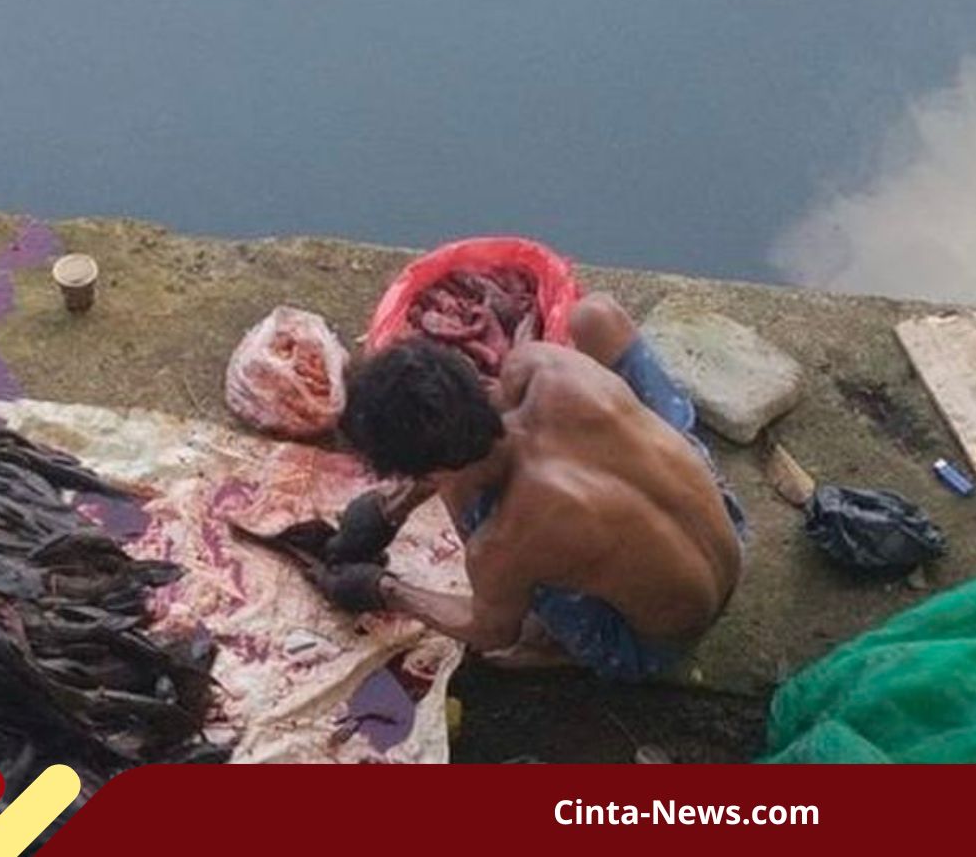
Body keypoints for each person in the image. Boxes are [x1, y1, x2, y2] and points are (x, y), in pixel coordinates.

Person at [315, 292, 746, 681]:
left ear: (433, 472)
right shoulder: (541, 365)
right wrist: (391, 510)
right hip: (728, 530)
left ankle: (556, 648)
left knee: (469, 506)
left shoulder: (504, 543)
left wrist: (384, 589)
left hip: (657, 641)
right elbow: (467, 437)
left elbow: (490, 631)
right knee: (595, 315)